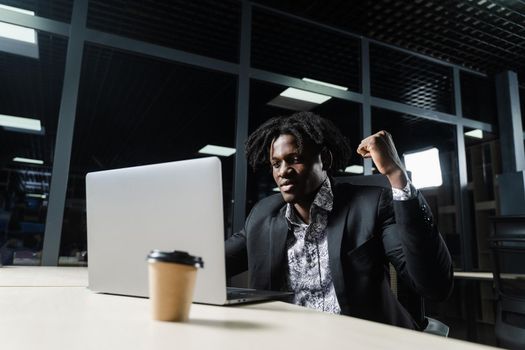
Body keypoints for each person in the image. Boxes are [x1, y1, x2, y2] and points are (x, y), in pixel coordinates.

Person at [225, 111, 453, 330]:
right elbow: (214, 262)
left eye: (294, 159)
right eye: (276, 164)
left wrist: (396, 175)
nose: (283, 171)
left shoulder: (370, 206)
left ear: (323, 159)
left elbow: (434, 285)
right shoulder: (264, 214)